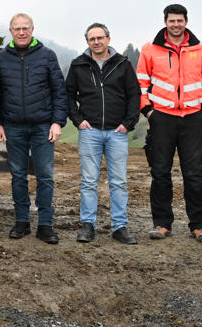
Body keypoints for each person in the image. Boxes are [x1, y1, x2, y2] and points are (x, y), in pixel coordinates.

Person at [137, 3, 202, 243]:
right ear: (165, 22)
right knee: (160, 172)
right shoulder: (149, 49)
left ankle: (199, 225)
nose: (176, 24)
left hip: (194, 118)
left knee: (194, 174)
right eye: (171, 20)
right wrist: (149, 112)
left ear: (186, 21)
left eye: (179, 20)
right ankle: (162, 223)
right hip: (161, 117)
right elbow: (141, 83)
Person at [0, 13, 67, 244]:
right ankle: (22, 222)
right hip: (13, 126)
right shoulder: (1, 58)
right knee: (18, 176)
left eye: (26, 28)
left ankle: (45, 225)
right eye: (17, 28)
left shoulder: (47, 56)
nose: (22, 32)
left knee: (45, 176)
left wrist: (57, 122)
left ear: (33, 30)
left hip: (43, 126)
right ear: (11, 31)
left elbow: (59, 92)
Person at [65, 23, 140, 245]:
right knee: (89, 181)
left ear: (108, 39)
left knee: (119, 181)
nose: (96, 42)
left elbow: (134, 93)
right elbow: (68, 95)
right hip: (90, 132)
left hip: (117, 132)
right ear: (87, 42)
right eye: (91, 39)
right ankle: (87, 225)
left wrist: (128, 123)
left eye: (100, 38)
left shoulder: (122, 64)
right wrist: (78, 121)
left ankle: (120, 226)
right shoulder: (78, 65)